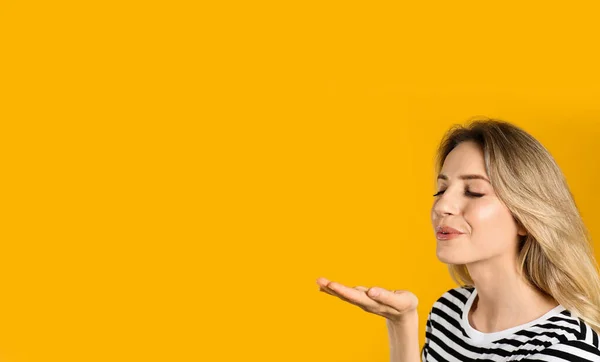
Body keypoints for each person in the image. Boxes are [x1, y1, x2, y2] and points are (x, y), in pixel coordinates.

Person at [317, 118, 600, 361]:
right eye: (441, 190)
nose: (442, 207)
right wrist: (400, 323)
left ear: (525, 217)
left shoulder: (565, 348)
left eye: (474, 191)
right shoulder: (449, 311)